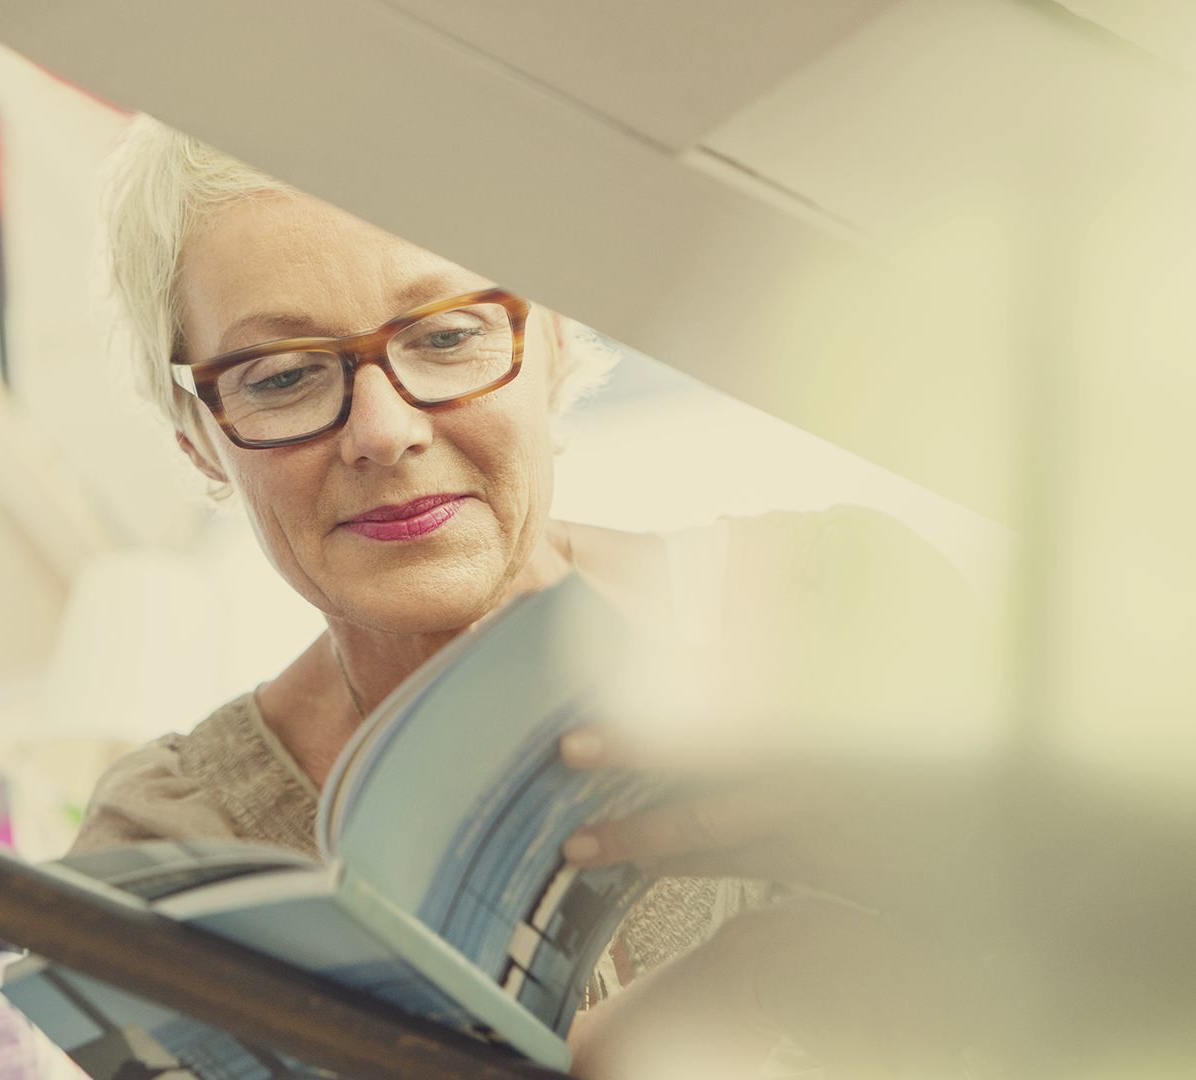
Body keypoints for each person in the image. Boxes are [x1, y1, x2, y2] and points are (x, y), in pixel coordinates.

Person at [69, 116, 987, 1077]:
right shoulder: (175, 842)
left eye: (448, 334)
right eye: (286, 376)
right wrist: (728, 987)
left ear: (552, 332)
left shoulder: (842, 613)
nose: (383, 431)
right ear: (195, 434)